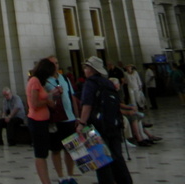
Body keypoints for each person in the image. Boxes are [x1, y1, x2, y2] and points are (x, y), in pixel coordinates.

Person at [77, 56, 132, 184]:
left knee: (100, 159)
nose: (85, 70)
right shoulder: (107, 82)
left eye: (86, 68)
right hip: (114, 124)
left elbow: (87, 105)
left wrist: (81, 123)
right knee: (117, 156)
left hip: (95, 126)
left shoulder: (90, 83)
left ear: (91, 70)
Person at [46, 56, 79, 184]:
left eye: (57, 62)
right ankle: (61, 177)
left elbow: (72, 98)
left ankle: (70, 175)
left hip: (69, 118)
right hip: (56, 120)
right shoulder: (45, 81)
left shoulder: (64, 78)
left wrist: (77, 116)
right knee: (56, 149)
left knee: (70, 149)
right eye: (52, 63)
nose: (55, 65)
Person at [26, 58, 58, 184]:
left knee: (44, 152)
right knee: (40, 153)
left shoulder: (39, 82)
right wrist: (48, 101)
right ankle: (45, 182)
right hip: (37, 121)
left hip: (43, 121)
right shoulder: (34, 81)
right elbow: (34, 103)